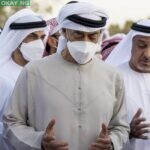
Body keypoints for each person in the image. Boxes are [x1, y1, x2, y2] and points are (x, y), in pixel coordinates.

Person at [3, 1, 129, 150]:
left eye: (92, 36)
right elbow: (12, 122)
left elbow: (121, 126)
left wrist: (112, 141)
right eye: (78, 34)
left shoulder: (113, 75)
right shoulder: (34, 72)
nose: (85, 41)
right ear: (64, 32)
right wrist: (38, 141)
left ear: (100, 35)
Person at [0, 8, 47, 150]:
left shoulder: (43, 73)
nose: (38, 43)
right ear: (17, 39)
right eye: (32, 36)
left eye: (41, 37)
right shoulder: (2, 76)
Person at [107, 19, 150, 150]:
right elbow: (96, 128)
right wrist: (127, 131)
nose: (147, 55)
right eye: (141, 46)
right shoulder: (112, 77)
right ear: (130, 45)